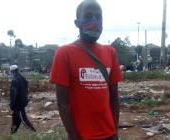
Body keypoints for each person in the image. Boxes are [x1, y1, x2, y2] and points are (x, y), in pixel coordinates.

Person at [50, 0, 122, 139]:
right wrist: (74, 136)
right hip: (82, 136)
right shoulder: (64, 53)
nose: (94, 21)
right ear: (77, 23)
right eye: (88, 16)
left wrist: (115, 132)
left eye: (98, 16)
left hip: (109, 135)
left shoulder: (110, 52)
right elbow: (62, 104)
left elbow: (114, 98)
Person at [9, 65, 36, 134]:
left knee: (23, 119)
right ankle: (12, 134)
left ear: (12, 71)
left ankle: (34, 132)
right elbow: (26, 89)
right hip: (22, 102)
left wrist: (12, 104)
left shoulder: (14, 80)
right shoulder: (22, 78)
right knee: (15, 120)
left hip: (18, 104)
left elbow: (14, 94)